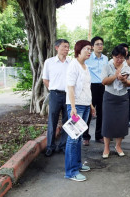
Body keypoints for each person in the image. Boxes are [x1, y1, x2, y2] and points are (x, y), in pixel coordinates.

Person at [64, 40, 95, 182]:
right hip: (76, 106)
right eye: (87, 49)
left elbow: (86, 88)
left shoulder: (85, 66)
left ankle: (77, 165)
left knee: (79, 137)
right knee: (73, 138)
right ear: (79, 49)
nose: (90, 52)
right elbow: (70, 87)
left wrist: (91, 105)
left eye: (91, 50)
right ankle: (71, 172)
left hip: (85, 105)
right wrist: (73, 107)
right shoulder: (73, 65)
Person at [101, 45, 130, 159]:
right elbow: (104, 81)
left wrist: (124, 80)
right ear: (113, 56)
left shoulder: (127, 67)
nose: (119, 60)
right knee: (108, 122)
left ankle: (118, 146)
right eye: (117, 57)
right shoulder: (107, 66)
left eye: (122, 57)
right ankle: (106, 147)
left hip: (123, 97)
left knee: (121, 123)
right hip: (110, 97)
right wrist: (115, 76)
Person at [42, 39, 70, 157]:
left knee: (67, 121)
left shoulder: (71, 63)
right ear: (57, 48)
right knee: (52, 121)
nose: (67, 49)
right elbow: (45, 79)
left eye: (68, 47)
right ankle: (50, 146)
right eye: (64, 46)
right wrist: (53, 89)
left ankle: (63, 145)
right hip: (55, 95)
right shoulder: (49, 62)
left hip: (68, 95)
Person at [82, 36, 108, 146]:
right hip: (90, 87)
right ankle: (85, 136)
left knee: (101, 112)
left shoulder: (106, 59)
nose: (100, 46)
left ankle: (99, 135)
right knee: (88, 112)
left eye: (101, 44)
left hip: (102, 87)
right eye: (97, 44)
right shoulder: (88, 58)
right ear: (92, 47)